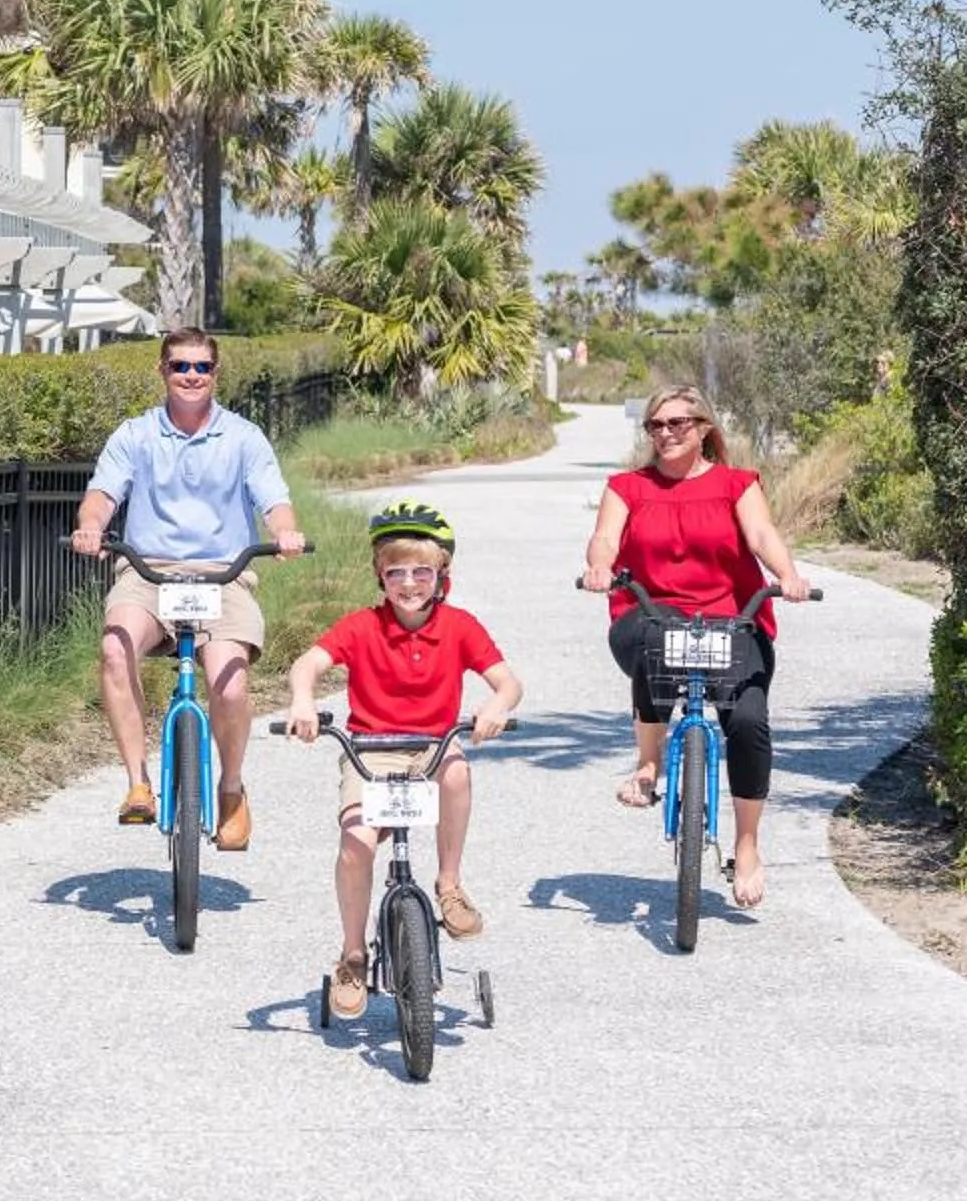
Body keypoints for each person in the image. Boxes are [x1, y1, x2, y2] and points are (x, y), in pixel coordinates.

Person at [280, 502, 522, 1020]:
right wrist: (303, 700)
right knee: (356, 845)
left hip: (433, 745)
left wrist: (496, 706)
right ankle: (351, 954)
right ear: (379, 575)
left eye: (421, 572)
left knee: (457, 769)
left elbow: (508, 682)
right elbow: (309, 663)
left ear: (441, 575)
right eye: (396, 572)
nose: (409, 583)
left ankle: (450, 885)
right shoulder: (362, 626)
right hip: (372, 751)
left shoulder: (459, 626)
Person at [67, 330, 307, 851]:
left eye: (202, 367)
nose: (192, 376)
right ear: (163, 372)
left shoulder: (244, 437)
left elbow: (274, 500)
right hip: (149, 571)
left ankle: (231, 789)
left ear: (216, 374)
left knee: (231, 685)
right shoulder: (135, 435)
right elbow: (101, 497)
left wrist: (285, 532)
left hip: (224, 573)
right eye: (180, 367)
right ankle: (137, 783)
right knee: (115, 647)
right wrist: (91, 527)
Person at [579, 384, 812, 908]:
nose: (666, 434)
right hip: (649, 611)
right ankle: (649, 763)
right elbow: (605, 538)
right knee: (653, 643)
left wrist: (789, 574)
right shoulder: (628, 486)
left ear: (704, 428)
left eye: (678, 423)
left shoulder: (736, 483)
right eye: (656, 426)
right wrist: (599, 566)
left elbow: (761, 534)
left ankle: (747, 845)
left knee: (749, 722)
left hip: (733, 619)